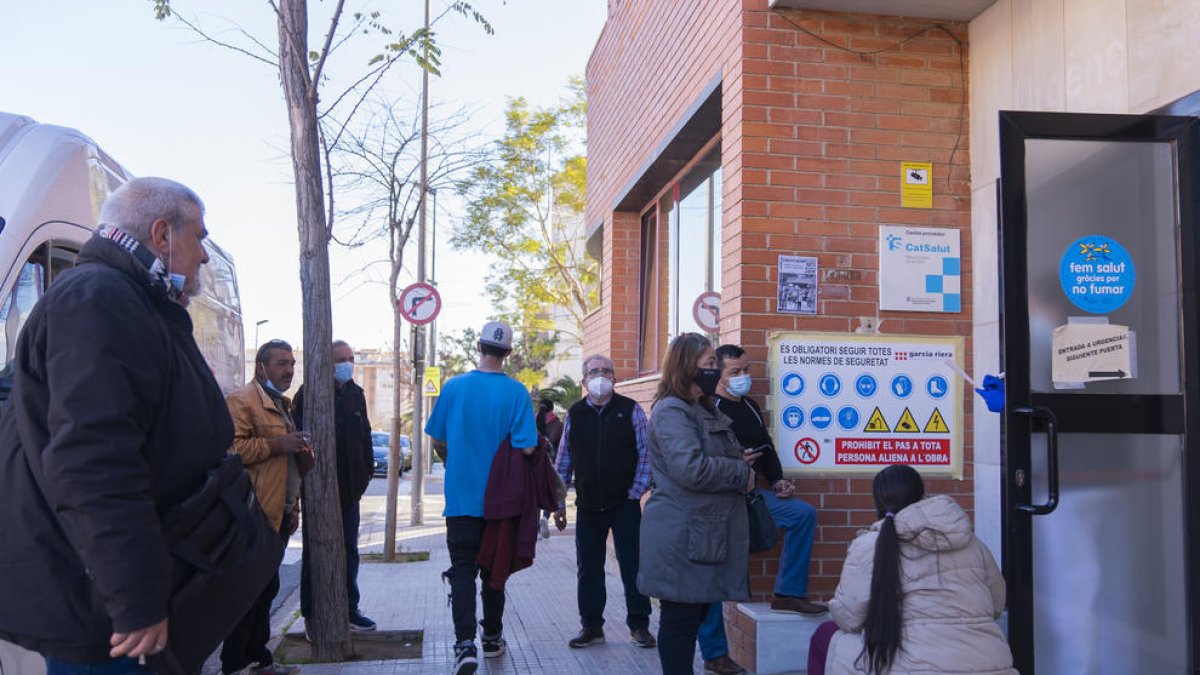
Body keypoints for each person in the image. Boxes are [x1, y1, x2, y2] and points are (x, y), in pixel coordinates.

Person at [0, 178, 232, 673]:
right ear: (162, 235)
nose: (206, 257)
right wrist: (136, 600)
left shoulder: (128, 297)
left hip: (114, 600)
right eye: (200, 237)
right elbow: (93, 463)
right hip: (106, 615)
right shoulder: (98, 299)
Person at [809, 464, 1016, 675]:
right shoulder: (972, 543)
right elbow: (997, 604)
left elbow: (848, 618)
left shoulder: (869, 545)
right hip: (988, 665)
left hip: (910, 667)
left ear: (878, 502)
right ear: (922, 495)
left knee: (825, 636)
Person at [698, 344, 825, 674]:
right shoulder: (707, 408)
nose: (743, 377)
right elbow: (696, 461)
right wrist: (733, 464)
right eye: (735, 372)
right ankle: (715, 653)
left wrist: (779, 480)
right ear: (718, 376)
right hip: (719, 499)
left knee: (802, 514)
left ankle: (788, 592)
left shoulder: (751, 407)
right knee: (712, 573)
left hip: (754, 495)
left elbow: (766, 448)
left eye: (747, 370)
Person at [637, 333, 757, 675]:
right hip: (682, 536)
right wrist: (738, 472)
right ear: (687, 366)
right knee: (680, 621)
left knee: (696, 615)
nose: (714, 371)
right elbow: (691, 469)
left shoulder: (700, 406)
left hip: (704, 535)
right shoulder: (672, 410)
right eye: (708, 364)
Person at [425, 320, 539, 675]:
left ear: (479, 346)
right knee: (494, 569)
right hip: (500, 502)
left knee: (462, 571)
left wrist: (455, 460)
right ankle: (491, 636)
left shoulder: (454, 387)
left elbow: (438, 439)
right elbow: (528, 446)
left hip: (461, 499)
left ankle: (464, 646)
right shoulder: (517, 393)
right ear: (508, 353)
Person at [552, 354, 656, 650]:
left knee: (632, 565)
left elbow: (646, 454)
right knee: (589, 567)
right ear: (584, 381)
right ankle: (592, 626)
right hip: (587, 505)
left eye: (606, 371)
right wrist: (558, 504)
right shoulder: (575, 413)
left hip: (624, 503)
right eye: (594, 371)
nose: (600, 376)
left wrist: (634, 492)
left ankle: (639, 625)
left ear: (615, 378)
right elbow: (563, 461)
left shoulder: (631, 410)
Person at [223, 340, 311, 675]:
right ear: (261, 367)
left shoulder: (282, 403)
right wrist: (278, 444)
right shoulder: (243, 401)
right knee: (247, 594)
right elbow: (231, 449)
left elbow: (286, 466)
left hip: (278, 512)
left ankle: (259, 659)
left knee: (266, 589)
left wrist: (293, 507)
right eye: (281, 363)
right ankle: (236, 663)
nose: (289, 370)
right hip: (252, 514)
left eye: (291, 363)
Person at [294, 340, 378, 633]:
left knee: (349, 550)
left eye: (350, 358)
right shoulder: (309, 393)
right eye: (340, 359)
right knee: (315, 550)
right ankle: (313, 614)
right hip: (318, 489)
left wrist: (366, 472)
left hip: (350, 489)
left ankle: (349, 608)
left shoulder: (356, 394)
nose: (347, 364)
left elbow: (365, 436)